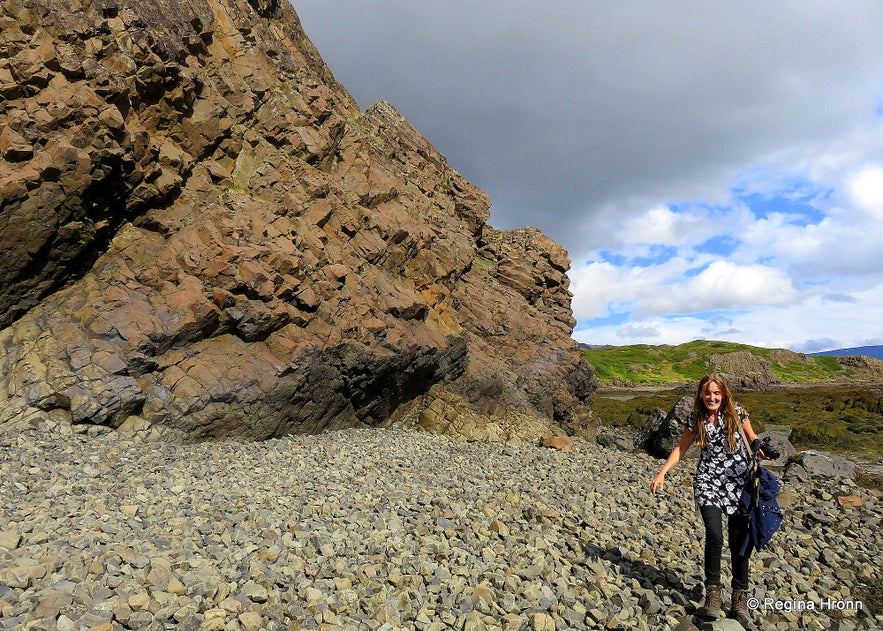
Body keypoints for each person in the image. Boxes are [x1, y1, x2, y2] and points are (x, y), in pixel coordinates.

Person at [650, 374, 772, 624]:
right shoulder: (696, 418)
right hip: (708, 481)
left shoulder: (737, 412)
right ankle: (713, 594)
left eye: (716, 393)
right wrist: (662, 473)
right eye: (708, 393)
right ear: (701, 395)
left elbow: (752, 438)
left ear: (724, 394)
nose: (712, 398)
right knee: (715, 535)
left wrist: (761, 448)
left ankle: (740, 596)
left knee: (739, 540)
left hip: (739, 481)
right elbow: (681, 447)